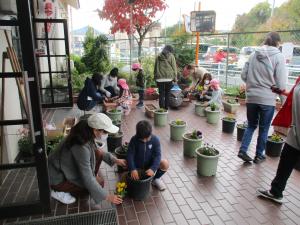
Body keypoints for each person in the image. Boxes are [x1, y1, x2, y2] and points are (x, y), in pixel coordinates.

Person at [48, 113, 127, 205]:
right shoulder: (80, 146)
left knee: (98, 153)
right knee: (99, 183)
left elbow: (96, 150)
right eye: (105, 132)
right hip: (57, 178)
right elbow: (87, 178)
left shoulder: (85, 129)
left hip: (63, 166)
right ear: (95, 130)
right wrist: (108, 197)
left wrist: (116, 160)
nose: (107, 135)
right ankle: (57, 192)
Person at [237, 32, 287, 164]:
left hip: (252, 97)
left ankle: (243, 150)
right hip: (267, 98)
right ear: (278, 42)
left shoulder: (253, 54)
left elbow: (243, 75)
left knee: (251, 125)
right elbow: (281, 83)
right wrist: (284, 101)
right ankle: (259, 155)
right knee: (264, 128)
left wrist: (253, 82)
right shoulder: (278, 57)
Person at [257, 81, 300, 204]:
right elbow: (294, 95)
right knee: (285, 161)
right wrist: (280, 92)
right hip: (295, 131)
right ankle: (276, 191)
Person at [127, 120, 169, 191]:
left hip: (149, 167)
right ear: (138, 135)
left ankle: (155, 179)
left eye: (147, 138)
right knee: (125, 167)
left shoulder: (155, 140)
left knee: (165, 163)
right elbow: (130, 154)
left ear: (150, 133)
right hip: (137, 168)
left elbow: (158, 156)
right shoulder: (134, 140)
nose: (145, 140)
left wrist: (153, 168)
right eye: (142, 139)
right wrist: (132, 169)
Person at [154, 45, 177, 109]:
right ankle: (166, 108)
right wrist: (175, 78)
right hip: (169, 78)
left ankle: (161, 108)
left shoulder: (158, 56)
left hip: (159, 78)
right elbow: (174, 67)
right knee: (167, 93)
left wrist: (155, 77)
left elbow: (155, 67)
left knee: (161, 94)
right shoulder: (171, 56)